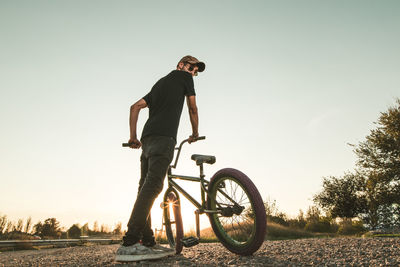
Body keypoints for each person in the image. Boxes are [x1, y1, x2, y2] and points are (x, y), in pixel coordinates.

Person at [115, 55, 206, 262]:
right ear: (181, 65)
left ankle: (148, 242)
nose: (193, 72)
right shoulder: (184, 79)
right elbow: (192, 107)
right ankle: (129, 243)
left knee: (144, 188)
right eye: (191, 67)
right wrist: (195, 132)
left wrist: (133, 137)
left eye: (196, 71)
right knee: (153, 187)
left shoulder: (160, 83)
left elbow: (135, 107)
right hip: (164, 139)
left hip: (147, 140)